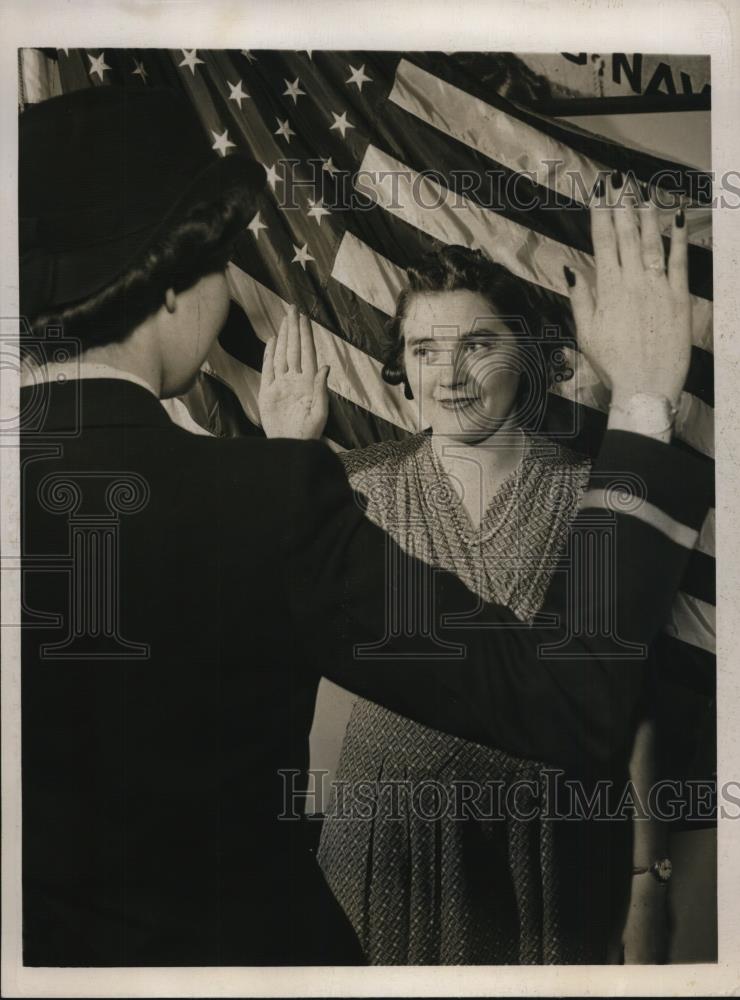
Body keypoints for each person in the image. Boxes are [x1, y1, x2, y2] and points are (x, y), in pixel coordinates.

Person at [18, 85, 709, 967]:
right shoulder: (273, 498)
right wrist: (646, 397)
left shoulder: (272, 489)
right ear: (168, 284)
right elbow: (569, 699)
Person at [258, 244, 672, 963]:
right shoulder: (351, 488)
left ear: (531, 356)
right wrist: (282, 463)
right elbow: (259, 659)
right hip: (386, 833)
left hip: (549, 837)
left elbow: (632, 704)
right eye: (424, 349)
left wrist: (647, 881)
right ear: (403, 368)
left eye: (478, 344)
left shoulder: (597, 498)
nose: (449, 376)